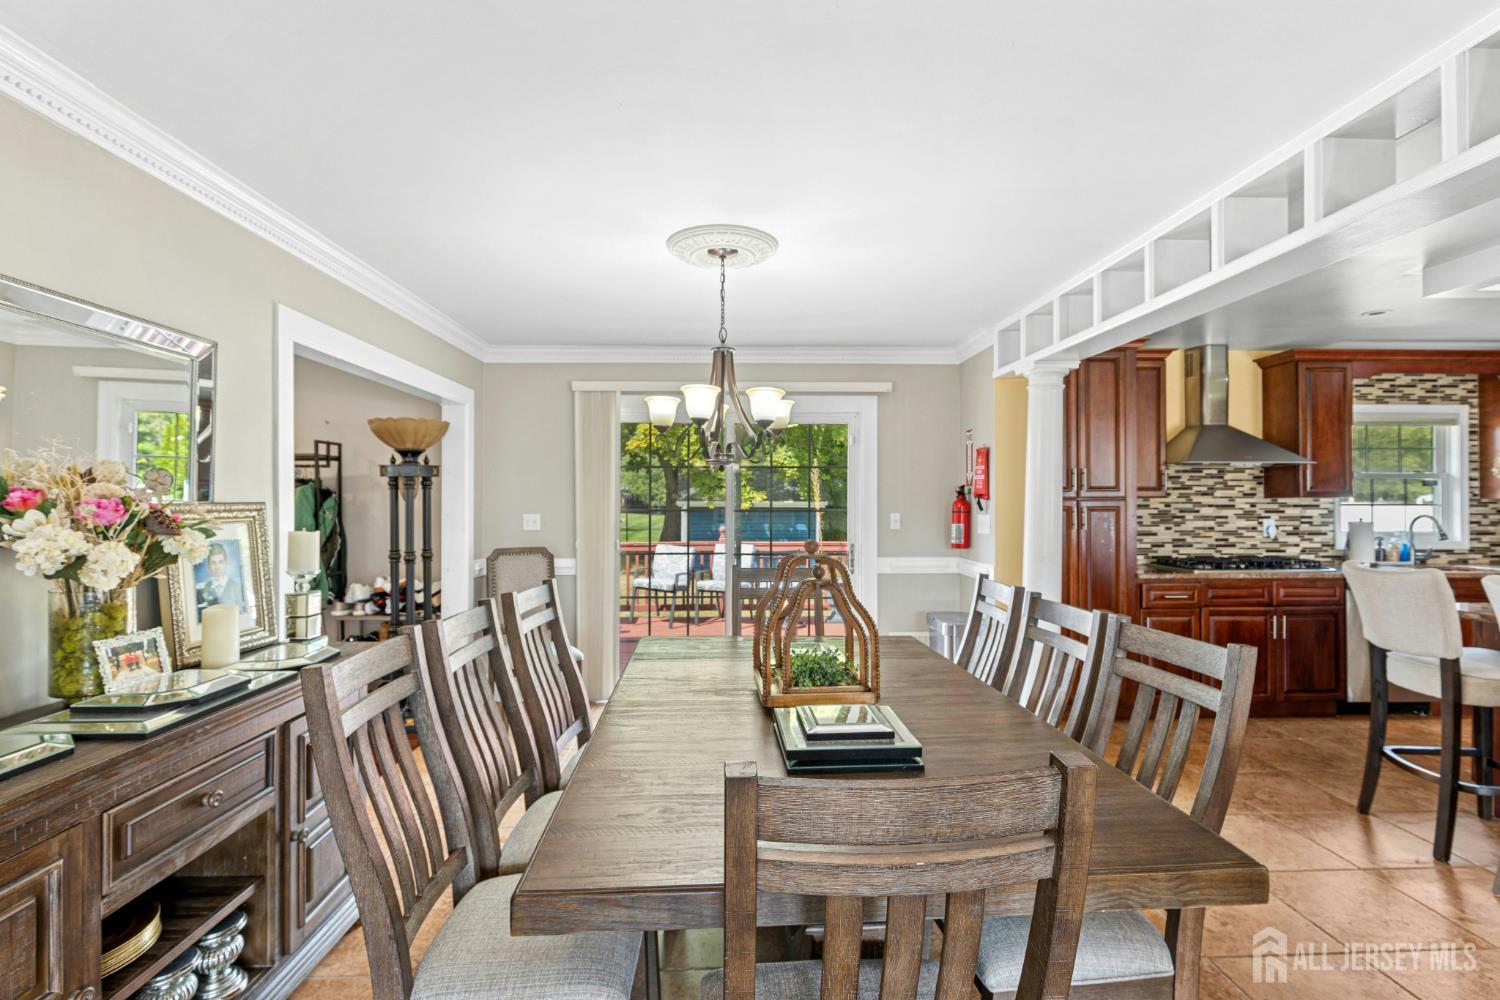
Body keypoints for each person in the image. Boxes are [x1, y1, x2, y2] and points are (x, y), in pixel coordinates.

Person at [196, 542, 247, 616]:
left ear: (226, 563)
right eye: (213, 563)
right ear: (208, 565)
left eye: (220, 562)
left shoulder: (236, 586)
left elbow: (242, 612)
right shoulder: (205, 587)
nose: (217, 567)